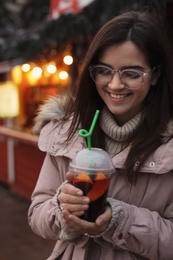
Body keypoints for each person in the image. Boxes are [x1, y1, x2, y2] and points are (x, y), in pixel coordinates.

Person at [28, 10, 173, 260]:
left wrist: (117, 220)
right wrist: (63, 208)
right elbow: (37, 216)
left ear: (156, 74)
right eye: (104, 70)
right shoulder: (68, 132)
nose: (115, 85)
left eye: (132, 73)